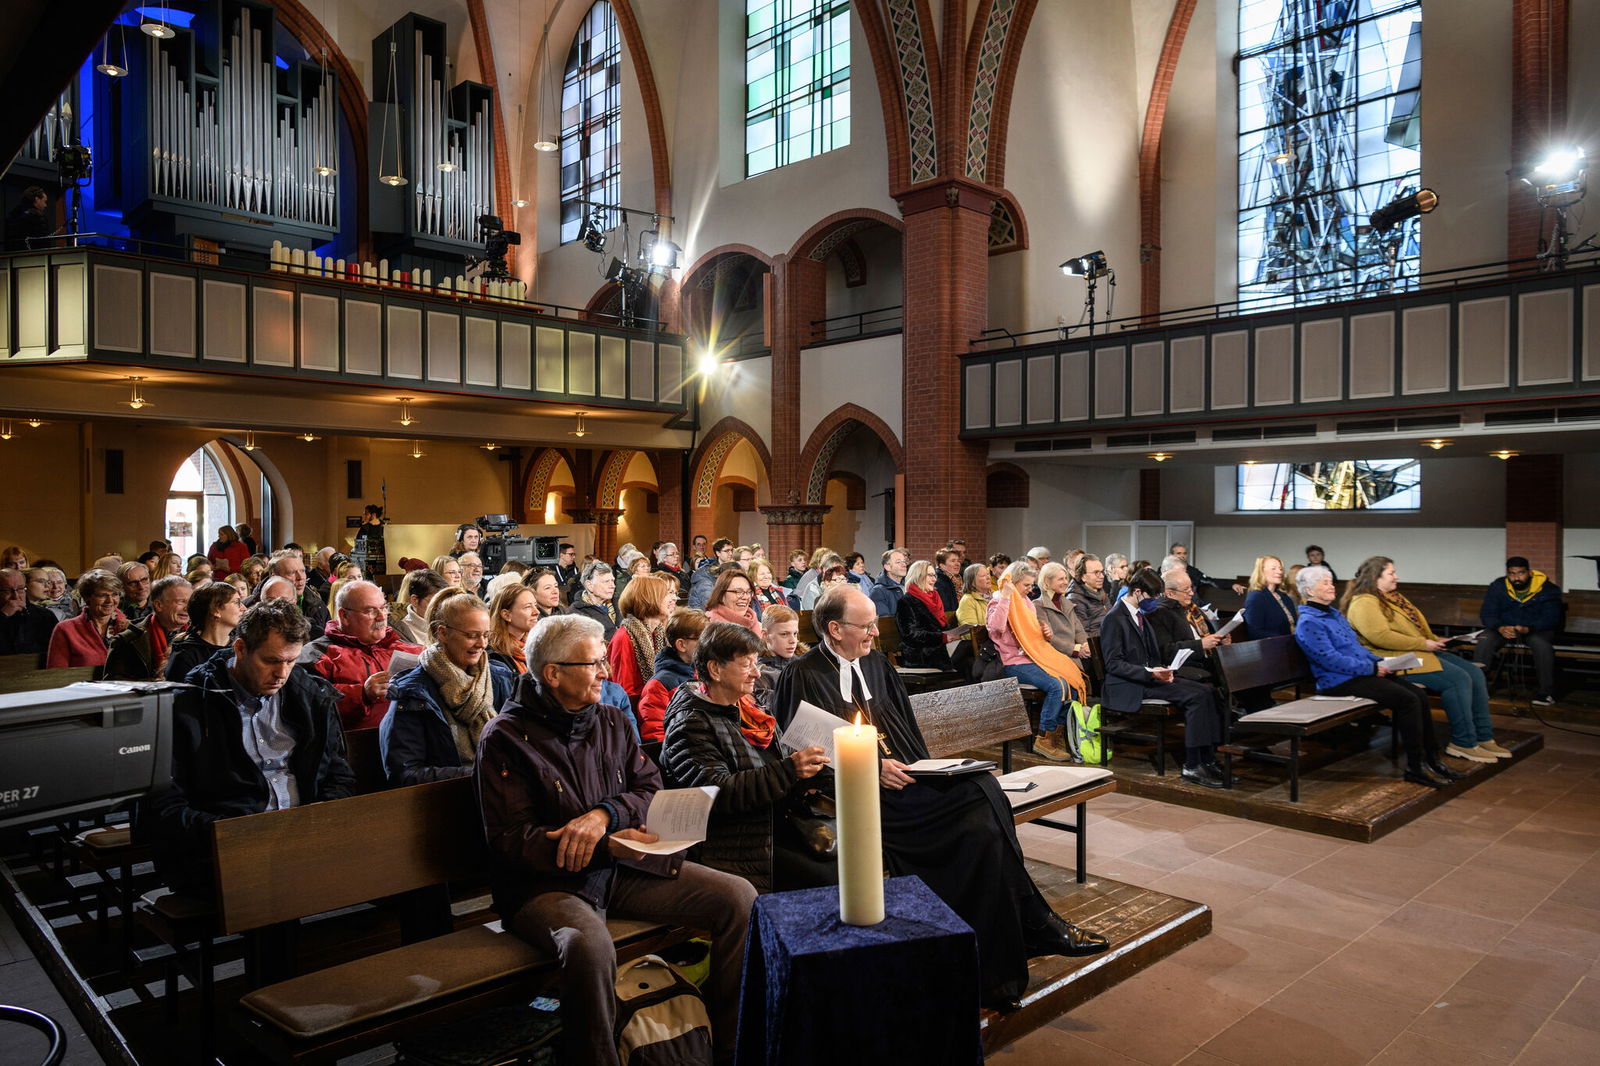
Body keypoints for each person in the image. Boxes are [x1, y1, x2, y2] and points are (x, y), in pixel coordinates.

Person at [773, 587, 1109, 1011]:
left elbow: (908, 732)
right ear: (835, 629)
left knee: (983, 790)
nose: (875, 633)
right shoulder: (802, 674)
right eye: (867, 626)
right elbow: (801, 754)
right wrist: (869, 769)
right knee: (979, 826)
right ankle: (1022, 938)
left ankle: (1004, 960)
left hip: (907, 781)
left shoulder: (876, 663)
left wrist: (930, 771)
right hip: (857, 797)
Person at [477, 614, 755, 1066]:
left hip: (622, 868)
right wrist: (604, 843)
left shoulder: (609, 720)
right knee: (588, 946)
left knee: (738, 897)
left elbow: (648, 788)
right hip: (546, 885)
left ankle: (728, 1045)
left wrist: (604, 815)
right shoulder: (505, 738)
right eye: (594, 663)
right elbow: (512, 841)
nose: (606, 673)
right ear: (553, 673)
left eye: (604, 661)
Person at [151, 600, 356, 897]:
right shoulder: (191, 702)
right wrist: (230, 833)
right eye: (271, 661)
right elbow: (166, 803)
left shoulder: (310, 696)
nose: (282, 673)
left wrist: (322, 815)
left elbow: (338, 774)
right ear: (240, 649)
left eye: (291, 661)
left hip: (305, 837)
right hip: (225, 846)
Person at [660, 622, 832, 892]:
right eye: (746, 664)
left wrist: (814, 770)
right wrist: (790, 770)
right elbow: (715, 793)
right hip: (735, 844)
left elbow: (782, 761)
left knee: (854, 854)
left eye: (756, 663)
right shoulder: (690, 723)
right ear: (715, 669)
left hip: (775, 823)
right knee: (830, 878)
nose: (756, 673)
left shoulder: (752, 707)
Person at [1294, 567, 1460, 789]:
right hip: (1337, 682)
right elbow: (1329, 660)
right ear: (1309, 591)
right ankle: (1415, 767)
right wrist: (1372, 668)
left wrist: (1381, 662)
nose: (1331, 586)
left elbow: (1356, 648)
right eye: (1324, 583)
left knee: (1418, 695)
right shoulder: (1309, 622)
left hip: (1359, 674)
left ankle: (1433, 760)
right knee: (1407, 700)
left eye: (1331, 581)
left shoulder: (1334, 615)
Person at [1343, 556, 1506, 764]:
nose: (1396, 576)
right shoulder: (1364, 602)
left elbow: (1414, 629)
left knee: (1475, 673)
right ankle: (1463, 742)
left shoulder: (1393, 597)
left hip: (1417, 651)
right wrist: (1423, 644)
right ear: (1375, 577)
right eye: (1391, 573)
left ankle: (1484, 737)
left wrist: (1436, 640)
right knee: (1458, 679)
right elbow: (1380, 637)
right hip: (1394, 659)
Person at [1099, 568, 1228, 788]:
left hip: (1148, 676)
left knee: (1206, 691)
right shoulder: (1115, 618)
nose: (1155, 601)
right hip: (1129, 684)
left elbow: (1151, 653)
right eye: (1152, 596)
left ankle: (1207, 760)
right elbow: (1114, 664)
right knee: (1195, 697)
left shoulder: (1139, 614)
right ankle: (1192, 765)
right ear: (1137, 592)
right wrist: (1149, 672)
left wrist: (1162, 669)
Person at [381, 594, 514, 785]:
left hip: (503, 787)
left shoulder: (500, 679)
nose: (482, 644)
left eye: (486, 635)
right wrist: (479, 773)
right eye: (471, 635)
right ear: (443, 633)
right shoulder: (412, 692)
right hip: (447, 796)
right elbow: (404, 773)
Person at [988, 563, 1089, 762]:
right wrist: (1006, 597)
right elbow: (995, 628)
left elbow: (1033, 634)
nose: (1030, 589)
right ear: (1012, 582)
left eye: (1031, 585)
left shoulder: (1026, 602)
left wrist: (1045, 632)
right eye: (1026, 585)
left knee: (1073, 682)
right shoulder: (998, 600)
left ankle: (1056, 736)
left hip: (1033, 656)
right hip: (1013, 662)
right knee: (1057, 685)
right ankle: (1044, 739)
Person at [297, 579, 424, 731]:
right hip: (356, 742)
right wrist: (362, 694)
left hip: (413, 737)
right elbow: (307, 704)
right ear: (344, 616)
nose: (382, 617)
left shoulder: (409, 649)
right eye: (370, 611)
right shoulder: (318, 655)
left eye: (383, 608)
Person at [1475, 556, 1562, 707]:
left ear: (1529, 572)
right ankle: (1479, 688)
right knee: (1485, 639)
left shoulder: (1548, 589)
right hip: (1505, 628)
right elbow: (1487, 614)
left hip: (1535, 629)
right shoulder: (1498, 586)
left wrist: (1528, 628)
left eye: (1521, 573)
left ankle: (1545, 693)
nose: (1516, 578)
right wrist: (1500, 627)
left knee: (1541, 644)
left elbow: (1552, 618)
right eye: (1512, 574)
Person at [638, 608, 707, 744]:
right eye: (703, 640)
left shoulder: (705, 674)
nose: (709, 645)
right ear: (681, 645)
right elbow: (655, 734)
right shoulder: (660, 684)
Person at [607, 572, 678, 702]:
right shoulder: (624, 637)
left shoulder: (659, 632)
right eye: (666, 595)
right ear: (648, 599)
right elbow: (624, 692)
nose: (673, 599)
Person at [104, 576, 192, 680]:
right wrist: (154, 684)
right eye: (180, 602)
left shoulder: (200, 635)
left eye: (190, 602)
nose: (187, 608)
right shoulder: (127, 640)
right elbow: (114, 683)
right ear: (158, 605)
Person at [46, 569, 128, 668]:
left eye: (115, 594)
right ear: (87, 597)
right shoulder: (65, 629)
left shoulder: (128, 627)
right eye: (102, 595)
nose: (110, 601)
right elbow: (56, 673)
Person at [165, 581, 245, 681]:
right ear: (216, 610)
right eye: (237, 603)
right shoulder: (185, 655)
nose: (244, 608)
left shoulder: (240, 646)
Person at [255, 549, 331, 637]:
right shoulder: (252, 606)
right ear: (274, 576)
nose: (300, 577)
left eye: (302, 571)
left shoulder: (317, 604)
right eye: (291, 573)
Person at [897, 560, 955, 670]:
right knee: (967, 655)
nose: (934, 579)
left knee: (969, 656)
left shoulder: (935, 598)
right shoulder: (906, 601)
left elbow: (941, 627)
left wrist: (952, 634)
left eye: (934, 575)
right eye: (930, 575)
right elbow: (911, 634)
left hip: (938, 649)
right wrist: (941, 637)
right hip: (921, 654)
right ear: (918, 576)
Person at [1037, 562, 1093, 663]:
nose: (1066, 582)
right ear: (1047, 581)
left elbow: (1079, 630)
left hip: (1076, 656)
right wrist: (1075, 650)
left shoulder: (1067, 603)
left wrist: (1086, 645)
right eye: (1060, 579)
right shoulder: (1039, 605)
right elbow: (1049, 638)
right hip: (1057, 658)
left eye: (1066, 578)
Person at [0, 568, 57, 658]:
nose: (16, 596)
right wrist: (3, 615)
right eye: (7, 591)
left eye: (20, 589)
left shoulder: (45, 616)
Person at [756, 602, 805, 700]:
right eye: (784, 634)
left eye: (795, 634)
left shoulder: (804, 662)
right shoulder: (760, 674)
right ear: (765, 635)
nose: (793, 641)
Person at [1243, 555, 1298, 638]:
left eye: (1280, 569)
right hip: (1274, 644)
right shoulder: (1256, 597)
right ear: (1261, 572)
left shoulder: (1283, 596)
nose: (1279, 572)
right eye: (1273, 568)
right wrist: (1285, 639)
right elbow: (1255, 632)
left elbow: (1294, 624)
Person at [703, 567, 764, 639]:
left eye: (748, 592)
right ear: (721, 595)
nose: (745, 597)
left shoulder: (755, 622)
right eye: (738, 592)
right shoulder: (709, 626)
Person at [393, 568, 450, 645]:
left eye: (443, 602)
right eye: (434, 603)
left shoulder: (449, 624)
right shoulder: (401, 633)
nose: (440, 609)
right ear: (415, 600)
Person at [566, 560, 620, 642]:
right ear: (590, 585)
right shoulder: (576, 613)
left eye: (612, 580)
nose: (613, 586)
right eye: (606, 581)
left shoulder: (621, 603)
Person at [1169, 542, 1247, 596]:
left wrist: (1232, 585)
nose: (1182, 556)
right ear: (1171, 555)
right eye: (1178, 553)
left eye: (1185, 553)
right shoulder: (1165, 570)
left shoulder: (1193, 571)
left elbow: (1211, 581)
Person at [1067, 553, 1111, 638]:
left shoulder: (1102, 593)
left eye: (1102, 572)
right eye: (1096, 572)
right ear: (1083, 576)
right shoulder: (1075, 599)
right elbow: (1083, 634)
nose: (1102, 576)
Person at [6, 186, 50, 250]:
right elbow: (44, 242)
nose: (45, 205)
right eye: (44, 201)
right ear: (37, 199)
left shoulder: (14, 214)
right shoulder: (38, 217)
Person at [871, 548, 909, 617]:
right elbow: (885, 620)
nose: (904, 565)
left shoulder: (909, 586)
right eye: (898, 562)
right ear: (887, 567)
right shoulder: (878, 591)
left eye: (904, 561)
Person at [933, 547, 961, 612]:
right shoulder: (938, 582)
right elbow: (945, 609)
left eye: (958, 561)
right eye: (953, 561)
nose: (957, 564)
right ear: (942, 565)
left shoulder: (955, 580)